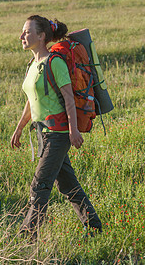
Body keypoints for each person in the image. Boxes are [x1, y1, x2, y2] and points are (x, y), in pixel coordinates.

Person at [11, 15, 102, 241]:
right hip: (43, 134)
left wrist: (73, 130)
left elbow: (69, 99)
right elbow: (32, 100)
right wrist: (19, 128)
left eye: (27, 32)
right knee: (68, 185)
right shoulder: (33, 64)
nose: (22, 36)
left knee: (40, 184)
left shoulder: (55, 62)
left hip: (58, 134)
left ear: (42, 36)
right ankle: (95, 227)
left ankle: (26, 236)